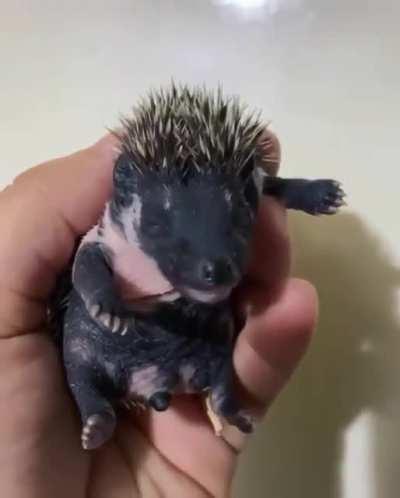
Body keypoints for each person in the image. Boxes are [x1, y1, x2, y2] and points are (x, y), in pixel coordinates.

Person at [0, 133, 317, 497]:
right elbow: (90, 269)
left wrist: (302, 192)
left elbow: (260, 185)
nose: (210, 265)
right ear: (126, 191)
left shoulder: (229, 190)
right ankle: (94, 408)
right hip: (109, 345)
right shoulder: (111, 238)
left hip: (188, 342)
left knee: (219, 356)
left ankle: (224, 398)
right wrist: (102, 296)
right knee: (82, 357)